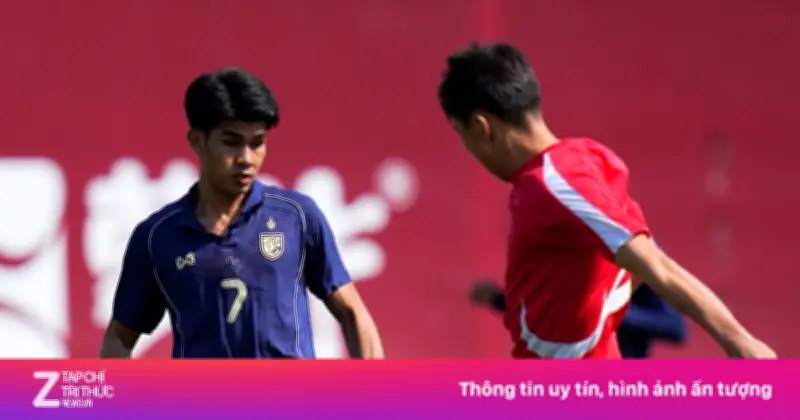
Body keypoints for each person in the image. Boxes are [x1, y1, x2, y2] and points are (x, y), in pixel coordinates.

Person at [438, 42, 775, 359]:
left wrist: (739, 342)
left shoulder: (556, 185)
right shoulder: (581, 160)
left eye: (461, 135)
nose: (469, 151)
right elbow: (627, 271)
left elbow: (656, 267)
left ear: (481, 127)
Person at [99, 68, 384, 359]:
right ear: (197, 141)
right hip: (199, 391)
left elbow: (352, 313)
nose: (247, 159)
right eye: (231, 142)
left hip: (291, 390)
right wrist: (114, 388)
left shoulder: (297, 217)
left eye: (257, 143)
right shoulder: (156, 237)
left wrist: (374, 386)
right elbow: (120, 336)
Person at [470, 280, 687, 358]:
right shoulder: (575, 258)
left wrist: (611, 311)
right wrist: (500, 300)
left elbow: (675, 327)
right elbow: (551, 309)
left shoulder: (637, 260)